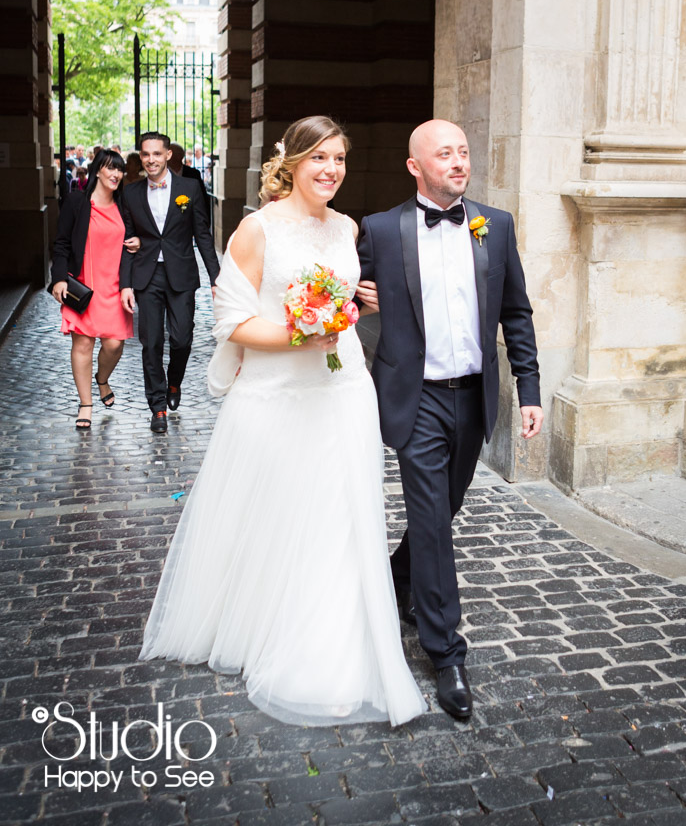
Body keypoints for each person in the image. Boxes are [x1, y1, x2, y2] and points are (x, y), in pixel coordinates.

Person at [139, 115, 427, 728]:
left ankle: (336, 633)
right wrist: (303, 332)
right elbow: (232, 323)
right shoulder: (256, 229)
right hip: (277, 393)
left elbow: (341, 300)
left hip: (345, 387)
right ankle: (265, 623)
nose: (331, 170)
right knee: (280, 513)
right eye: (319, 157)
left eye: (340, 159)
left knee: (338, 516)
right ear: (292, 162)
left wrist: (353, 304)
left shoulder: (348, 227)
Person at [356, 119, 543, 720]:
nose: (459, 162)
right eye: (445, 154)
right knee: (432, 519)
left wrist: (531, 389)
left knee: (445, 507)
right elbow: (341, 300)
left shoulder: (496, 224)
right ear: (415, 166)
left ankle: (397, 577)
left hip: (473, 395)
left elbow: (516, 311)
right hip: (417, 397)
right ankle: (446, 651)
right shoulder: (381, 231)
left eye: (463, 151)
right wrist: (357, 300)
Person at [120, 133, 220, 433]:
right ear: (141, 157)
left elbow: (202, 234)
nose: (151, 159)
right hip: (146, 275)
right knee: (150, 343)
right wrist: (125, 284)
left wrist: (217, 278)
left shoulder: (189, 188)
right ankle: (158, 407)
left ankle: (174, 382)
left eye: (156, 154)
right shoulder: (131, 193)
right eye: (145, 154)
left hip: (181, 274)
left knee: (182, 339)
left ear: (168, 156)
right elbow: (125, 241)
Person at [51, 149, 140, 430]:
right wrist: (58, 279)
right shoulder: (77, 202)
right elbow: (62, 243)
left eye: (120, 170)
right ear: (97, 171)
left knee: (114, 344)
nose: (115, 174)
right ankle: (85, 404)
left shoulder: (124, 207)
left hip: (114, 287)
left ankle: (102, 379)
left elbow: (135, 240)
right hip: (83, 287)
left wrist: (136, 241)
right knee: (83, 344)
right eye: (110, 168)